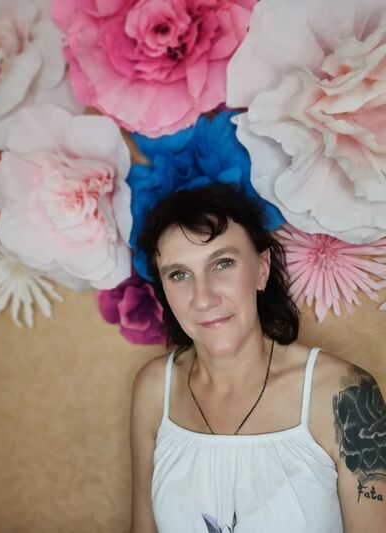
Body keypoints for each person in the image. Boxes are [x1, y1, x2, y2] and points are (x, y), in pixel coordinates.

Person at [130, 183, 386, 533]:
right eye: (179, 274)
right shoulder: (154, 387)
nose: (203, 298)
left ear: (262, 269)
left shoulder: (344, 394)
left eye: (222, 263)